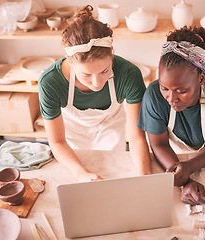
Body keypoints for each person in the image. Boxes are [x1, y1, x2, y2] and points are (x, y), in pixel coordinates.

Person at [38, 5, 151, 182]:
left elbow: (136, 137)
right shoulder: (50, 82)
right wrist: (82, 174)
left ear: (112, 52)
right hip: (71, 134)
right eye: (86, 75)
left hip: (111, 128)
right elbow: (57, 142)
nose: (97, 83)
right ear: (69, 60)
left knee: (114, 178)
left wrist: (145, 175)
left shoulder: (129, 74)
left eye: (105, 71)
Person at [138, 26, 205, 205]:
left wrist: (190, 167)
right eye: (165, 88)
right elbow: (159, 143)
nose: (171, 98)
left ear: (201, 78)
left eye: (181, 91)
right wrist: (184, 179)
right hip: (167, 158)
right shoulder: (153, 95)